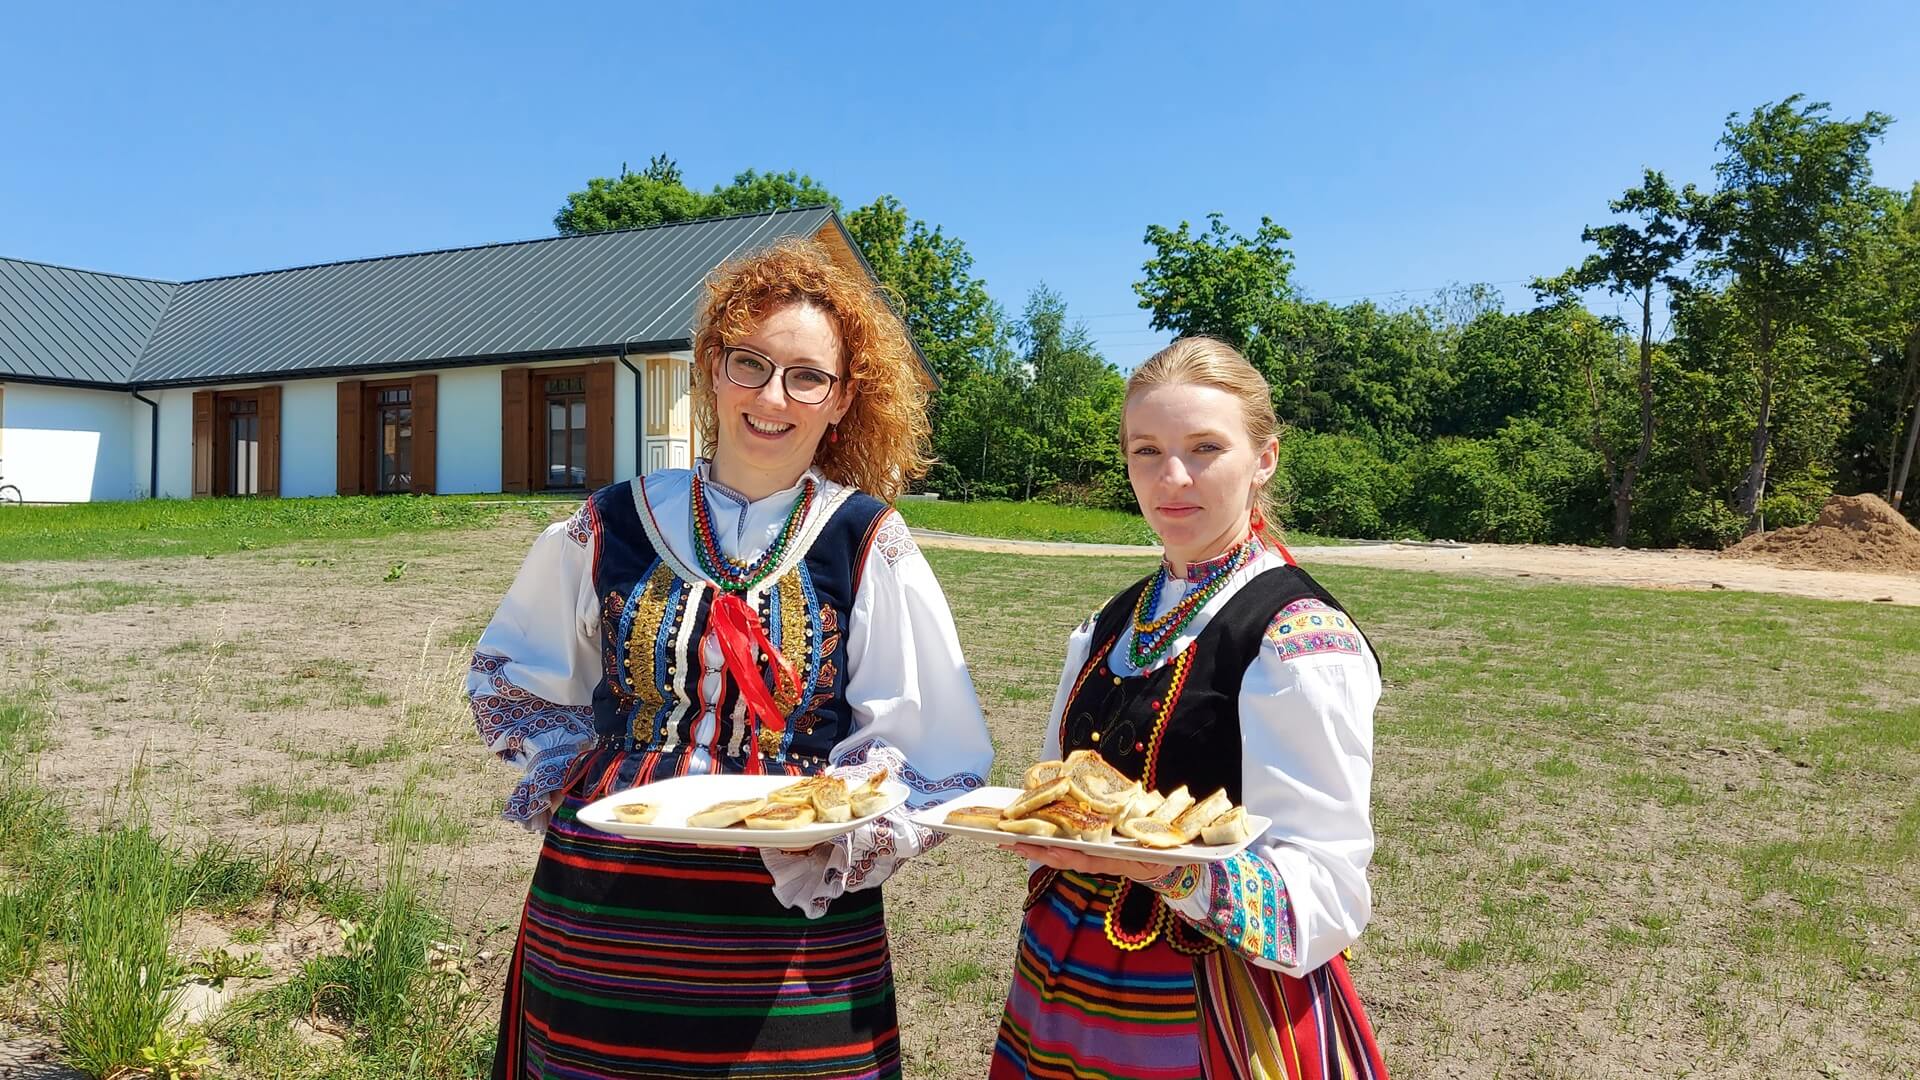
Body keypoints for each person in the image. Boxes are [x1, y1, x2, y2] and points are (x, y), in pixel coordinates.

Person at [469, 237, 993, 1079]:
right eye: (749, 363)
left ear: (842, 397)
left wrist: (844, 826)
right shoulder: (615, 519)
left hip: (793, 917)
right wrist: (586, 778)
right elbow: (515, 675)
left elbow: (933, 744)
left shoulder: (866, 541)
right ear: (711, 369)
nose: (772, 397)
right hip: (609, 905)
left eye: (806, 377)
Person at [990, 337, 1390, 1080]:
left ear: (1264, 458)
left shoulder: (1299, 637)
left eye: (1205, 447)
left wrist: (1170, 871)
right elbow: (1058, 783)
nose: (1171, 478)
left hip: (1209, 997)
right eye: (1146, 451)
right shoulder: (1117, 618)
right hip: (1063, 970)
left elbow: (1327, 887)